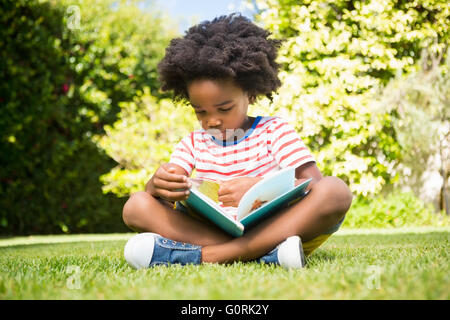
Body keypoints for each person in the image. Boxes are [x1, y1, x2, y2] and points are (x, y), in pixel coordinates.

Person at [122, 13, 353, 269]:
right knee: (136, 205)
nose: (212, 121)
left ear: (250, 94)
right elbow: (161, 196)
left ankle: (204, 256)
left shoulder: (274, 130)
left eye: (224, 109)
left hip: (275, 226)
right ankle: (267, 255)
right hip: (213, 230)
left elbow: (315, 185)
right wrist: (157, 184)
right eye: (201, 111)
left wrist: (261, 190)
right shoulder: (193, 142)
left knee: (336, 191)